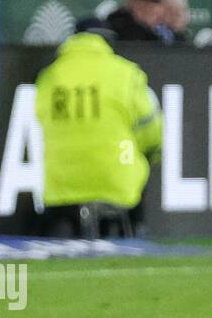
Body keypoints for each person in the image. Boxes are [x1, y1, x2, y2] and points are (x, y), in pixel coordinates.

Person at [35, 29, 163, 237]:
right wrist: (152, 154)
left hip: (62, 182)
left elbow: (38, 119)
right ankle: (136, 234)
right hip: (116, 177)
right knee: (131, 157)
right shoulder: (126, 73)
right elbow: (151, 129)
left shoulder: (49, 75)